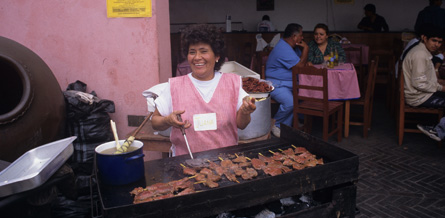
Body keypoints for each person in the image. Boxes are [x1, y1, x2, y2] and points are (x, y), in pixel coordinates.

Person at [151, 24, 256, 156]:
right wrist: (167, 121)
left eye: (204, 51)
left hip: (226, 163)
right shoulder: (174, 86)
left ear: (217, 55)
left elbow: (242, 124)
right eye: (192, 52)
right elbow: (155, 122)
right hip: (185, 163)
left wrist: (245, 112)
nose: (197, 57)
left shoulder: (232, 83)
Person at [265, 23, 309, 137]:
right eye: (301, 35)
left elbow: (301, 63)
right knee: (291, 102)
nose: (302, 38)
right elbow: (300, 67)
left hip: (287, 83)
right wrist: (306, 49)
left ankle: (288, 126)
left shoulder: (291, 47)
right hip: (276, 84)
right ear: (294, 37)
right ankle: (276, 123)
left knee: (304, 94)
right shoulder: (283, 47)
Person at [402, 25, 445, 108]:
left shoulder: (422, 51)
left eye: (439, 42)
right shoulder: (420, 54)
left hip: (422, 94)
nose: (436, 45)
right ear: (424, 38)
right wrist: (441, 88)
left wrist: (439, 83)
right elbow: (419, 84)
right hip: (419, 98)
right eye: (434, 40)